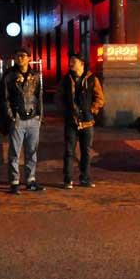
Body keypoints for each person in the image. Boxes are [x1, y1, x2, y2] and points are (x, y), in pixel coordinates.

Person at [0, 48, 44, 194]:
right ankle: (14, 182)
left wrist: (39, 115)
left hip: (33, 118)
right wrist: (11, 116)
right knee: (15, 152)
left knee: (32, 151)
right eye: (18, 56)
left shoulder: (35, 75)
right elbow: (4, 98)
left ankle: (31, 180)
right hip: (18, 118)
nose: (20, 59)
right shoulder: (9, 76)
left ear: (29, 58)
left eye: (23, 56)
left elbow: (39, 96)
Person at [61, 54, 104, 189]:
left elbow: (100, 98)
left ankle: (85, 178)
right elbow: (58, 97)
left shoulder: (92, 79)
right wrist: (66, 112)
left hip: (87, 122)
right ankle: (68, 179)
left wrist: (92, 111)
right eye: (70, 61)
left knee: (86, 151)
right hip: (71, 121)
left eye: (74, 61)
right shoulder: (66, 79)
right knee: (69, 151)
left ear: (82, 64)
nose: (71, 63)